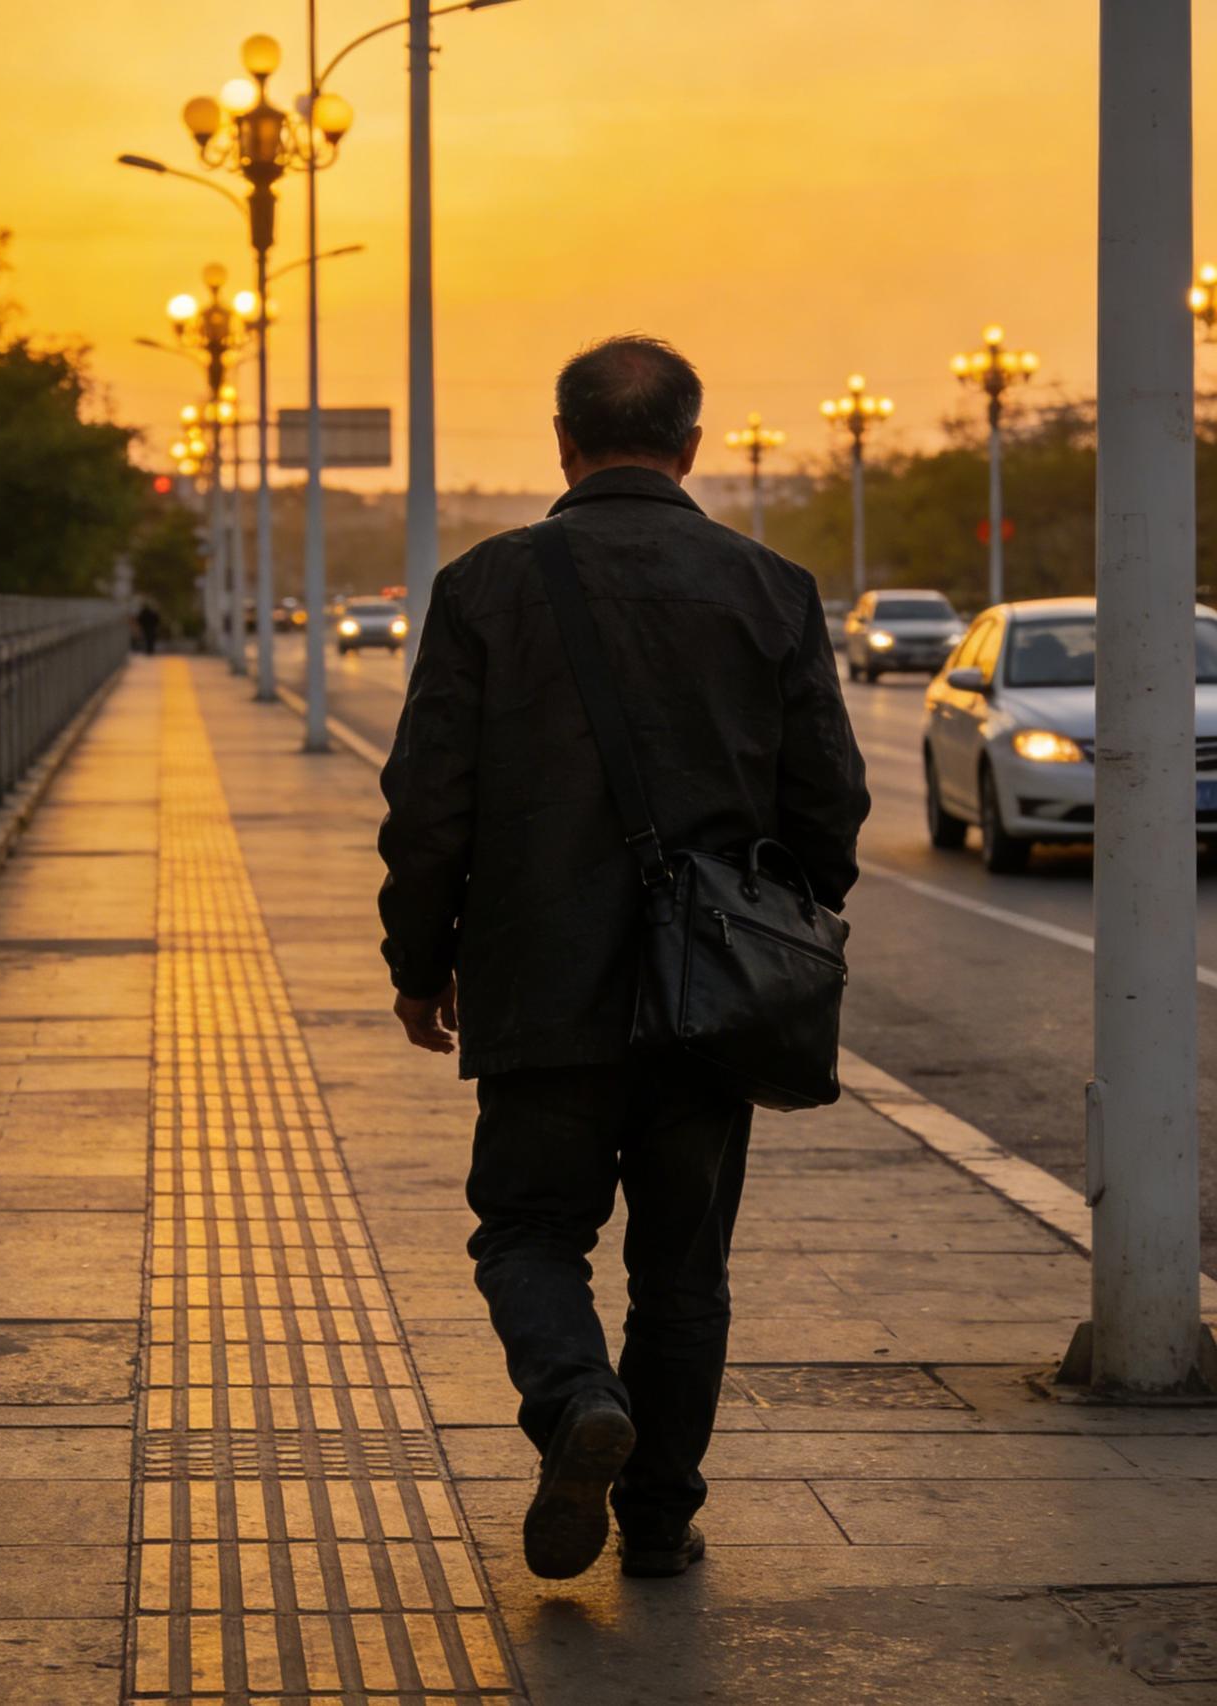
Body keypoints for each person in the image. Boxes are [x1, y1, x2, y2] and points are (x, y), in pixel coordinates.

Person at [377, 335, 869, 1582]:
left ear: (562, 441)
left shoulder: (485, 586)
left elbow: (428, 800)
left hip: (537, 981)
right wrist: (781, 932)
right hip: (709, 998)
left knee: (528, 1231)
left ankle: (574, 1399)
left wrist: (418, 957)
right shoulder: (770, 587)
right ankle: (657, 1520)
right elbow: (830, 801)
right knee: (680, 1264)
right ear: (692, 446)